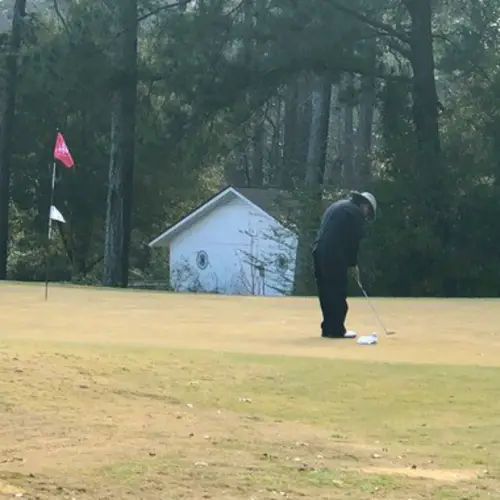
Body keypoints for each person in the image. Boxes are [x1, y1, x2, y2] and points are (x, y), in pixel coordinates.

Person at [312, 191, 377, 339]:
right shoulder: (356, 214)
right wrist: (352, 265)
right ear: (364, 205)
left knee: (326, 292)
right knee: (338, 291)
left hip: (318, 252)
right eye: (368, 212)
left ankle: (328, 328)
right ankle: (336, 330)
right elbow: (352, 242)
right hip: (334, 255)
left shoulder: (338, 206)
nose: (366, 216)